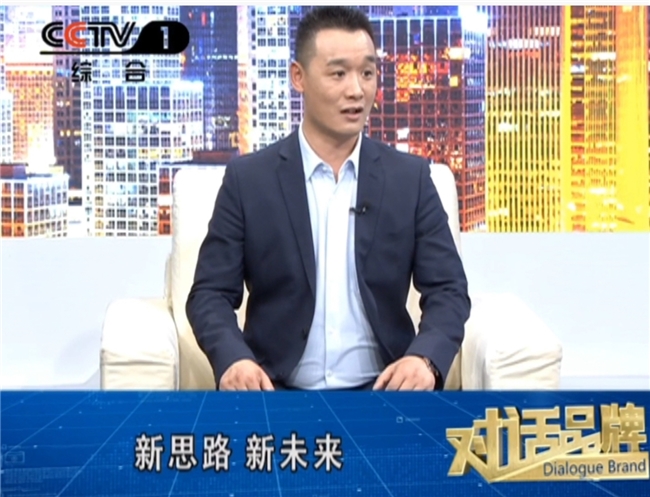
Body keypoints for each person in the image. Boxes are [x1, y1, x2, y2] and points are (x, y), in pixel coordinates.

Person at [186, 6, 470, 392]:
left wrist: (425, 359)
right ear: (298, 77)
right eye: (338, 74)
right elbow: (210, 294)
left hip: (385, 392)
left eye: (367, 73)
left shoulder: (411, 179)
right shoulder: (249, 181)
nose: (356, 90)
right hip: (276, 392)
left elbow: (449, 290)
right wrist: (234, 359)